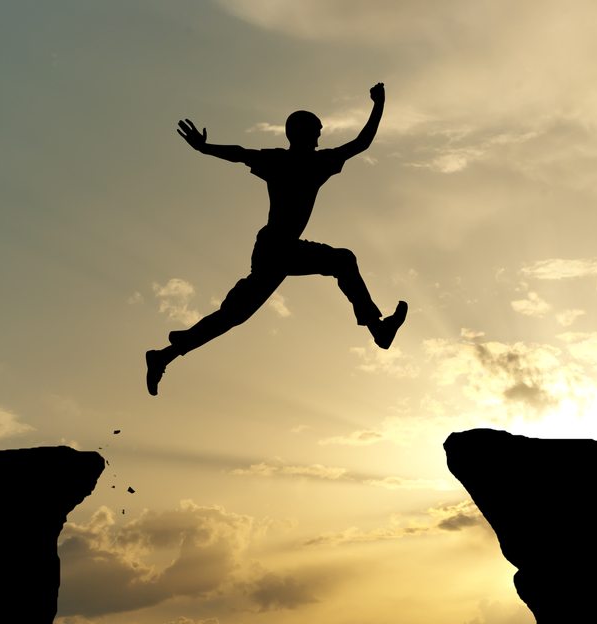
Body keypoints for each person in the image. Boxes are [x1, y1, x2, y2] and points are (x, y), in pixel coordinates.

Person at [146, 83, 407, 396]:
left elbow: (241, 154)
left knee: (235, 315)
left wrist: (206, 148)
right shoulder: (311, 163)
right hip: (278, 248)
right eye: (318, 130)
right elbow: (361, 143)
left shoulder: (284, 161)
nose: (321, 135)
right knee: (341, 261)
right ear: (306, 133)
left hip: (276, 248)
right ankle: (377, 329)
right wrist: (379, 104)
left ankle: (163, 356)